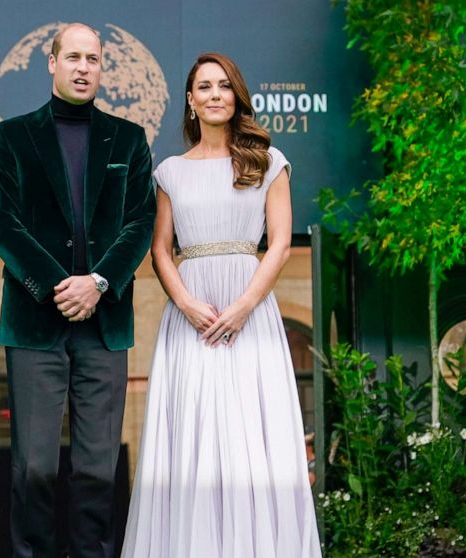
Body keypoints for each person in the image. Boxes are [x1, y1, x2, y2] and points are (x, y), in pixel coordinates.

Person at [121, 53, 322, 558]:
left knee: (250, 438)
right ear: (190, 100)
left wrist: (244, 306)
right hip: (189, 320)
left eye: (223, 86)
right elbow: (160, 250)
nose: (214, 94)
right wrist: (186, 302)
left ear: (236, 96)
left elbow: (278, 244)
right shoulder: (168, 171)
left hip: (250, 315)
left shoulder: (268, 161)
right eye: (204, 87)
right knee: (193, 439)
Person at [0, 22, 156, 558]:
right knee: (33, 466)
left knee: (97, 467)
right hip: (36, 324)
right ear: (52, 63)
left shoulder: (128, 138)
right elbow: (2, 225)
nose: (84, 67)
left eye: (94, 59)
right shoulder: (9, 137)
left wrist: (98, 284)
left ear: (103, 67)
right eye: (74, 57)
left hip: (105, 328)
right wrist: (62, 287)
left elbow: (140, 222)